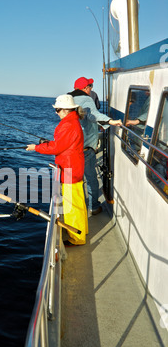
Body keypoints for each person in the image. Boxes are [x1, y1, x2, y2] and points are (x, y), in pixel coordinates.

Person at [26, 94, 88, 246]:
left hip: (69, 170)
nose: (56, 112)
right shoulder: (72, 121)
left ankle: (77, 238)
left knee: (72, 206)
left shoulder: (68, 124)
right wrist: (48, 143)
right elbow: (62, 143)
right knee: (78, 203)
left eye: (58, 110)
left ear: (66, 110)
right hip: (74, 167)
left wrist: (36, 147)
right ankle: (81, 230)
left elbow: (56, 147)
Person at [68, 77, 122, 215]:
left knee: (72, 180)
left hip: (70, 148)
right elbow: (93, 115)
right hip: (85, 148)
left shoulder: (68, 100)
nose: (91, 88)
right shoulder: (87, 99)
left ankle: (72, 208)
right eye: (90, 85)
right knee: (91, 178)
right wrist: (110, 121)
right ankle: (93, 206)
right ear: (85, 88)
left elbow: (83, 118)